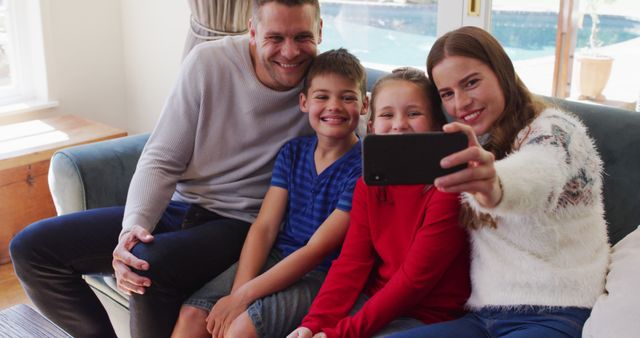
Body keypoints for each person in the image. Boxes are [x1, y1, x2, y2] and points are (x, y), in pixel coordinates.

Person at [9, 1, 322, 337]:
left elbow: (360, 129)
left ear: (319, 32)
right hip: (181, 207)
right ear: (252, 31)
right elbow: (161, 156)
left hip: (241, 225)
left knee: (147, 265)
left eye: (302, 37)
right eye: (275, 38)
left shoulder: (325, 86)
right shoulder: (209, 63)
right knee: (32, 249)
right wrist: (133, 228)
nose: (290, 52)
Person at [388, 26, 609, 338]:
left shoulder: (557, 130)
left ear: (502, 72)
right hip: (482, 318)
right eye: (447, 94)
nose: (461, 103)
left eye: (471, 83)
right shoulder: (472, 142)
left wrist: (495, 187)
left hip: (556, 313)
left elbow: (538, 173)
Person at [171, 48, 368, 338]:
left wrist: (242, 299)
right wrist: (239, 292)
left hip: (321, 273)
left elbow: (317, 250)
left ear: (365, 105)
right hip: (277, 256)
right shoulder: (292, 153)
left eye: (347, 97)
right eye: (322, 97)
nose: (334, 106)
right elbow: (264, 228)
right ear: (304, 102)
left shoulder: (363, 167)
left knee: (239, 330)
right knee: (193, 315)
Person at [288, 67, 471, 338]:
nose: (398, 124)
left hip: (426, 315)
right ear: (372, 127)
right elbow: (352, 263)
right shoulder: (368, 185)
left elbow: (414, 281)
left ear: (436, 127)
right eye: (387, 115)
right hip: (376, 300)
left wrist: (339, 334)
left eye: (413, 114)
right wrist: (313, 324)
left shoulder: (448, 189)